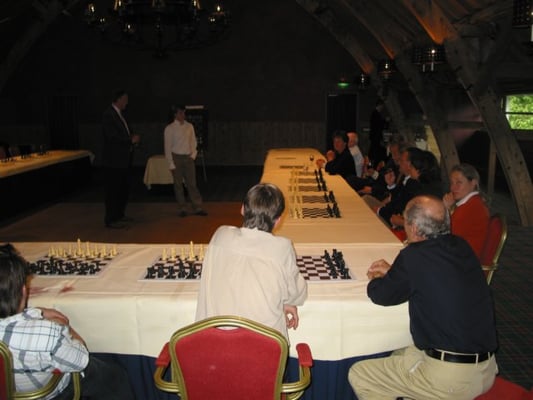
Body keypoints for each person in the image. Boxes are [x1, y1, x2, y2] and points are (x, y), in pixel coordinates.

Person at [348, 195, 498, 400]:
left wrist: (377, 278)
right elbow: (440, 277)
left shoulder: (414, 256)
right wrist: (396, 273)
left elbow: (381, 295)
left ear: (414, 228)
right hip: (486, 369)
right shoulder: (461, 246)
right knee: (400, 353)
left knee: (361, 374)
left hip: (451, 379)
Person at [0, 243, 135, 400]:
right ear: (24, 290)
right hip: (53, 393)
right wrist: (66, 328)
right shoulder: (47, 333)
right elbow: (81, 359)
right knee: (117, 376)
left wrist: (37, 312)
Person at [195, 183, 307, 340]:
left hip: (211, 344)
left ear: (242, 209)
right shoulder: (282, 248)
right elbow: (297, 293)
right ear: (278, 220)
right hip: (265, 348)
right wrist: (288, 301)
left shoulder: (220, 235)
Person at [101, 89, 141, 229]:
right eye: (125, 99)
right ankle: (111, 219)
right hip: (113, 161)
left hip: (124, 160)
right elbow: (112, 137)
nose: (127, 102)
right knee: (113, 190)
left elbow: (126, 133)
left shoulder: (121, 115)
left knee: (123, 189)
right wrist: (130, 140)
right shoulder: (108, 115)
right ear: (118, 99)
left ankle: (119, 214)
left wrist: (133, 139)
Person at [164, 104, 207, 217]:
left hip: (188, 157)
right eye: (180, 113)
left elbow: (193, 141)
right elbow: (167, 147)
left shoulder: (189, 126)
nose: (183, 115)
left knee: (192, 183)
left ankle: (197, 206)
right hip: (176, 158)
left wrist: (193, 155)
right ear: (175, 114)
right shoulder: (169, 128)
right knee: (178, 185)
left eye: (183, 112)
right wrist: (171, 163)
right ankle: (182, 208)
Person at [443, 163, 490, 259]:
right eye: (452, 183)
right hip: (461, 255)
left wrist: (445, 209)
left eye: (459, 183)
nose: (452, 188)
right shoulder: (475, 202)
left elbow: (446, 237)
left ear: (473, 183)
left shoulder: (471, 208)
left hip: (462, 260)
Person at [368, 99, 388, 166]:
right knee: (374, 150)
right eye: (382, 106)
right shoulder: (375, 113)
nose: (382, 108)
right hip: (375, 135)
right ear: (379, 105)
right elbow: (378, 124)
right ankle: (372, 162)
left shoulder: (376, 113)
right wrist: (385, 121)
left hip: (375, 135)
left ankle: (372, 162)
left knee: (374, 150)